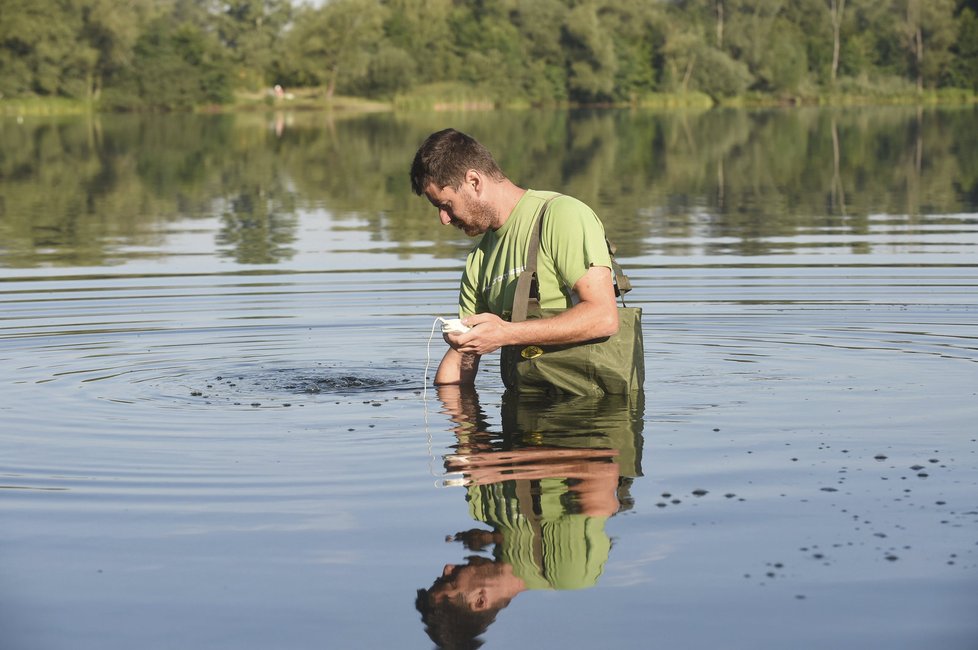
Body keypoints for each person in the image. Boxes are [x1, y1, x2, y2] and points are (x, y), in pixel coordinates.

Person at [410, 128, 623, 389]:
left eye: (445, 205)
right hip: (521, 417)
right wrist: (451, 413)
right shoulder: (478, 260)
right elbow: (463, 357)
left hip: (594, 415)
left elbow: (604, 317)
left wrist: (506, 334)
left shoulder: (561, 215)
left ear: (474, 181)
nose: (443, 219)